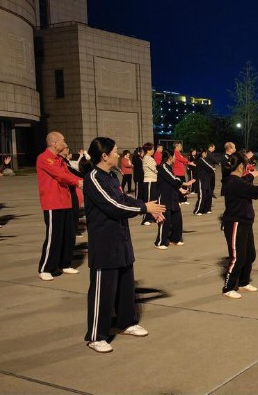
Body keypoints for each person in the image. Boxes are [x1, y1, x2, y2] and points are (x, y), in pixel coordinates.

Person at [83, 136, 165, 353]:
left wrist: (148, 207)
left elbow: (125, 199)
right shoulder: (93, 178)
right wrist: (144, 209)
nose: (119, 155)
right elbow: (113, 206)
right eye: (115, 151)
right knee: (103, 290)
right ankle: (96, 335)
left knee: (126, 286)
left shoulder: (111, 177)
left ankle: (126, 323)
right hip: (104, 243)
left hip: (121, 240)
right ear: (104, 155)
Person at [36, 131, 83, 281]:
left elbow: (68, 174)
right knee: (54, 236)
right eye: (63, 140)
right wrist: (78, 183)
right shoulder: (44, 158)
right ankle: (45, 268)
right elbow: (60, 175)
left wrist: (83, 181)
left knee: (68, 234)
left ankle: (64, 264)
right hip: (52, 202)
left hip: (65, 201)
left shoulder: (60, 160)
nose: (65, 143)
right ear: (54, 143)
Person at [221, 152, 258, 298]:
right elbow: (255, 192)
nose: (246, 169)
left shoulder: (237, 180)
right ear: (240, 166)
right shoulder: (233, 182)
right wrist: (257, 185)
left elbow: (245, 180)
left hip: (245, 221)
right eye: (244, 167)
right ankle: (228, 287)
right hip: (235, 222)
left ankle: (244, 282)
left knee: (250, 255)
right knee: (237, 257)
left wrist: (250, 176)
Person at [154, 151, 195, 249]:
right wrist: (185, 183)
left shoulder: (169, 168)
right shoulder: (163, 167)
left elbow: (172, 182)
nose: (175, 159)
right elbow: (174, 179)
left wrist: (181, 190)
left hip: (173, 197)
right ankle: (160, 242)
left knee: (177, 219)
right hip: (164, 198)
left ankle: (175, 239)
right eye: (174, 157)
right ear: (169, 157)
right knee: (165, 220)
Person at [140, 143, 158, 225]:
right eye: (152, 149)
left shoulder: (150, 158)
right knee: (149, 200)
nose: (153, 150)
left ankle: (153, 217)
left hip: (153, 180)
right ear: (148, 150)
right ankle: (146, 218)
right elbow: (155, 169)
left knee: (154, 199)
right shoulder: (147, 158)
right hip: (149, 181)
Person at [194, 148, 215, 215]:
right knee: (202, 195)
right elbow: (209, 166)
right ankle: (198, 210)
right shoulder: (200, 159)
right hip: (201, 179)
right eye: (206, 153)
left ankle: (207, 209)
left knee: (209, 194)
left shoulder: (203, 159)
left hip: (206, 179)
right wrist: (212, 168)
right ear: (203, 153)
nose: (206, 154)